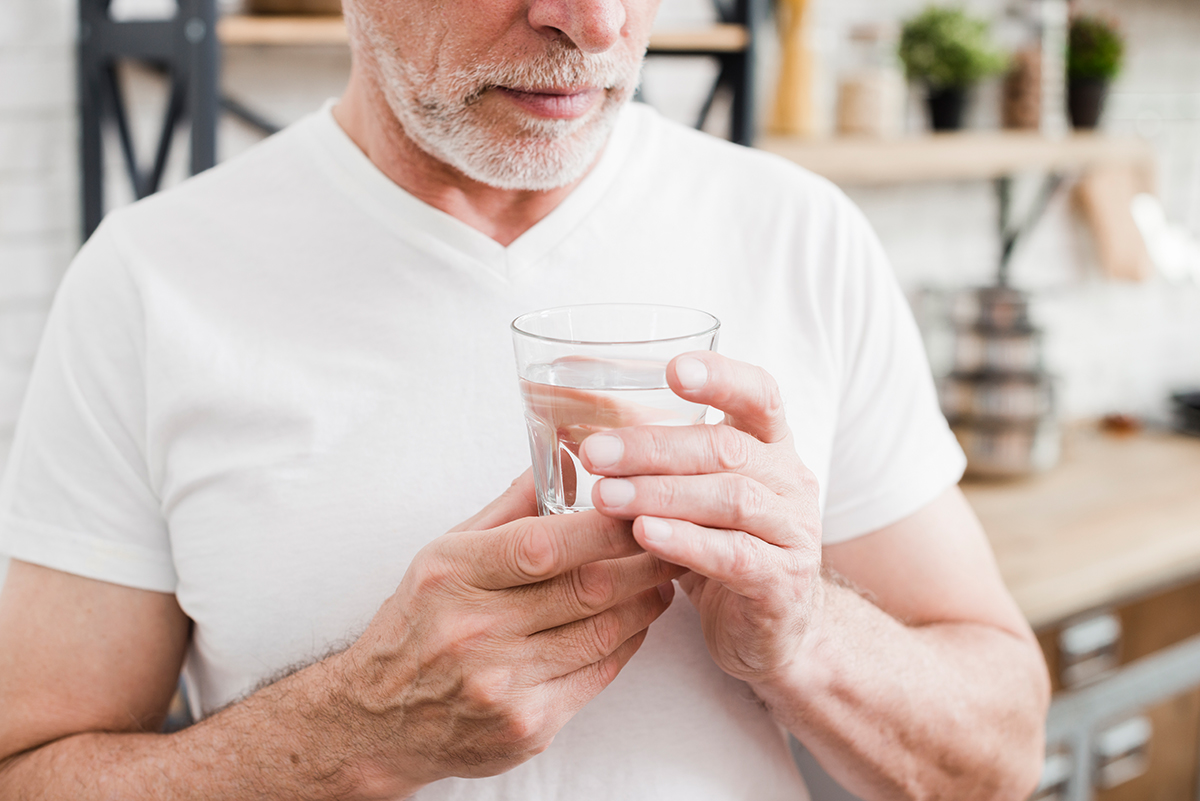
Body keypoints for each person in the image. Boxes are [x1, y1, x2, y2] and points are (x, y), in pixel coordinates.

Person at [0, 0, 1050, 797]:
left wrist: (806, 637)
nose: (593, 23)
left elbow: (999, 759)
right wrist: (355, 728)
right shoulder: (151, 283)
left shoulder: (797, 233)